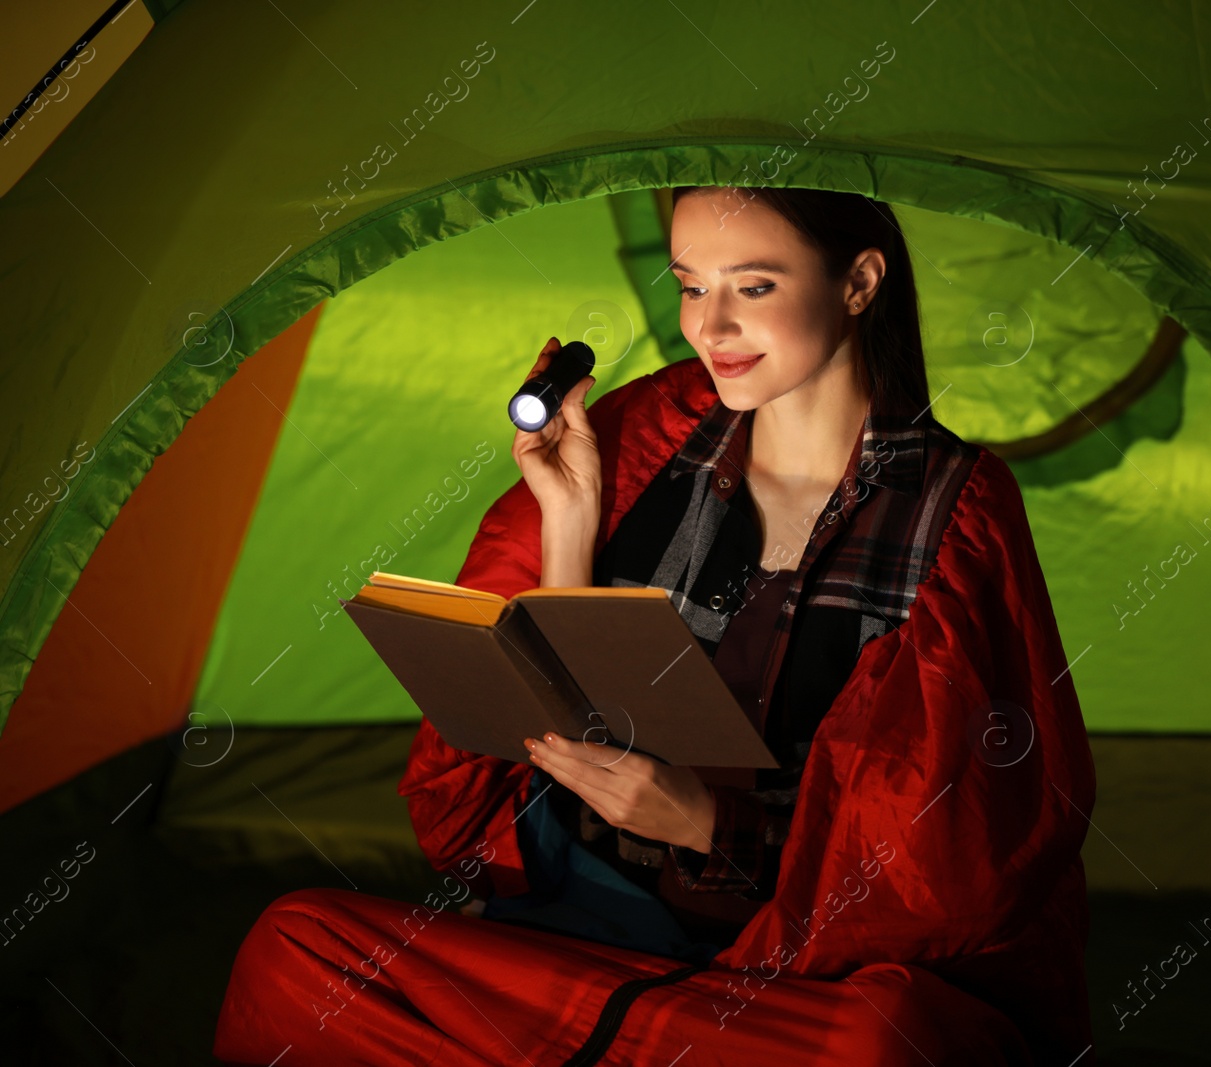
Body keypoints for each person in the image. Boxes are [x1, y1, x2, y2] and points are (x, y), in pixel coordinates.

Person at [213, 185, 1097, 1066]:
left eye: (752, 288)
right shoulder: (657, 438)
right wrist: (571, 515)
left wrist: (709, 822)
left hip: (769, 983)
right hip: (581, 931)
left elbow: (942, 863)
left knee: (876, 1047)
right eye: (689, 285)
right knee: (297, 947)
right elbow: (563, 716)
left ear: (861, 282)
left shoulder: (953, 512)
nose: (710, 328)